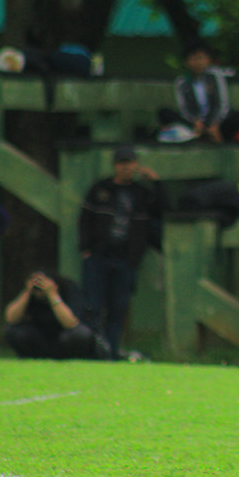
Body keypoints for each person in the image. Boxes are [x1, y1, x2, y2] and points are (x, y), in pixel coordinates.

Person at [78, 146, 166, 360]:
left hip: (126, 259)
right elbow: (84, 220)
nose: (126, 168)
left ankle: (111, 352)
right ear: (115, 165)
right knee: (93, 307)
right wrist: (85, 249)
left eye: (129, 163)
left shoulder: (142, 194)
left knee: (118, 309)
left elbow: (165, 209)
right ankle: (92, 351)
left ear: (136, 165)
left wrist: (157, 182)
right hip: (98, 256)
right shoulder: (100, 189)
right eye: (122, 163)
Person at [160, 42, 239, 144]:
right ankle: (198, 134)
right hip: (195, 123)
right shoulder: (182, 82)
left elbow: (221, 103)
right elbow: (184, 107)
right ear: (187, 62)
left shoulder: (215, 77)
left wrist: (213, 123)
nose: (198, 62)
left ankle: (215, 135)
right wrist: (195, 121)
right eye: (194, 59)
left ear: (208, 60)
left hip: (216, 121)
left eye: (201, 58)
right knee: (165, 113)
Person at [4, 270, 110, 360]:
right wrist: (27, 292)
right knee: (13, 331)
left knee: (81, 334)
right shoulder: (29, 295)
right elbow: (11, 319)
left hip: (63, 340)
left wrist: (52, 294)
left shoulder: (69, 290)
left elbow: (71, 323)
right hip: (39, 339)